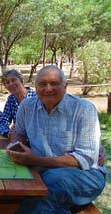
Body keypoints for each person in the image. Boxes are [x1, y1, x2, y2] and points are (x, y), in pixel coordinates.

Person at [7, 65, 107, 213]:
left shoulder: (84, 109)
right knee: (11, 188)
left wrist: (36, 160)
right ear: (35, 87)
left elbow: (85, 159)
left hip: (85, 174)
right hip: (43, 171)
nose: (48, 89)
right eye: (42, 84)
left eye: (54, 83)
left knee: (46, 188)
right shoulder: (26, 106)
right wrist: (16, 145)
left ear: (65, 86)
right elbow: (18, 133)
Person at [0, 69, 36, 137]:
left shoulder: (35, 98)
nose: (11, 84)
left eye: (13, 80)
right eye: (7, 82)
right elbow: (3, 122)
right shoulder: (11, 99)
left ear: (21, 80)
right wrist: (7, 133)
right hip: (18, 140)